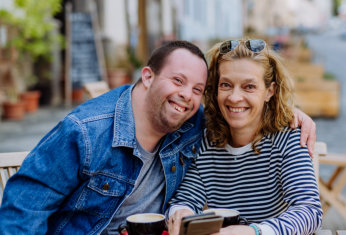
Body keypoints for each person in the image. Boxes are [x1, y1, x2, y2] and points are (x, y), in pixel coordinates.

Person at [0, 41, 315, 234]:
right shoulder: (86, 132)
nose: (186, 97)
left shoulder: (193, 126)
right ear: (147, 76)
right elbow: (24, 208)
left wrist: (290, 113)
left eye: (196, 89)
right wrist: (182, 210)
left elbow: (308, 209)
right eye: (178, 81)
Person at [167, 39, 322, 235]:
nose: (234, 97)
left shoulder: (288, 138)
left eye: (249, 86)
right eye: (226, 85)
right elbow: (186, 198)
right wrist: (181, 213)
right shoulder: (207, 141)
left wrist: (254, 232)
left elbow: (309, 211)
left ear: (270, 91)